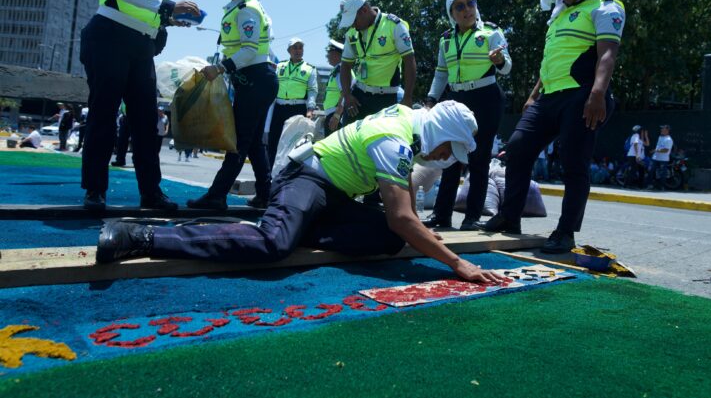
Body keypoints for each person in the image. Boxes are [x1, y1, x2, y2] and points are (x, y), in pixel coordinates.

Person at [96, 101, 503, 285]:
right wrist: (456, 263)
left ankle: (293, 225)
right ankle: (141, 235)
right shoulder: (395, 138)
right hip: (306, 178)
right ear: (441, 135)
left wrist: (426, 238)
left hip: (332, 192)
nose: (446, 157)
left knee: (389, 238)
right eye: (449, 148)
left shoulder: (409, 121)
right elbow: (401, 214)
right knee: (274, 244)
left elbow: (403, 212)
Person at [478, 0, 625, 254]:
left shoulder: (605, 7)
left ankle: (565, 231)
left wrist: (597, 94)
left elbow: (607, 54)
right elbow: (552, 61)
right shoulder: (557, 15)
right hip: (549, 97)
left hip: (582, 95)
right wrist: (534, 94)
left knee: (574, 161)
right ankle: (510, 216)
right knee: (517, 148)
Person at [79, 0, 200, 211]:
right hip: (110, 36)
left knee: (147, 123)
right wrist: (169, 6)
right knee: (103, 114)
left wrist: (168, 19)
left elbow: (144, 10)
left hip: (140, 47)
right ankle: (95, 190)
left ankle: (151, 192)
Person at [187, 0, 278, 211]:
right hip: (253, 81)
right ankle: (265, 195)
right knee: (255, 142)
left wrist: (220, 68)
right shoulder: (239, 7)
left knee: (239, 140)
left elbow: (249, 50)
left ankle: (217, 195)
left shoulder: (247, 9)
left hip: (255, 80)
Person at [422, 0, 511, 230]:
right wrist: (431, 100)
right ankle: (441, 215)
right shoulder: (446, 39)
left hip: (486, 97)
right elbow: (441, 73)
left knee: (479, 158)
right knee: (450, 157)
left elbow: (507, 67)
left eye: (470, 3)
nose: (466, 10)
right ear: (451, 13)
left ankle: (472, 218)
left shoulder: (491, 32)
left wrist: (499, 60)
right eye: (459, 6)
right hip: (456, 99)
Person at [337, 0, 417, 121]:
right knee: (347, 138)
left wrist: (407, 97)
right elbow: (345, 65)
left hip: (388, 98)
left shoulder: (394, 25)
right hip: (359, 97)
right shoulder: (352, 33)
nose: (352, 24)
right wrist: (347, 96)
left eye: (354, 20)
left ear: (363, 10)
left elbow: (409, 60)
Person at [267, 38, 317, 168]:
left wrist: (310, 109)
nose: (298, 50)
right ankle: (269, 175)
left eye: (300, 47)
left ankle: (288, 174)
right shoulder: (279, 66)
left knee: (292, 142)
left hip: (297, 108)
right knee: (274, 141)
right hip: (279, 108)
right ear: (289, 50)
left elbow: (312, 90)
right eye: (295, 47)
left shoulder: (309, 69)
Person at [322, 39, 350, 134]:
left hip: (336, 115)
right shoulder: (337, 70)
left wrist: (337, 115)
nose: (327, 55)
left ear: (336, 54)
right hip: (332, 114)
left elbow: (345, 94)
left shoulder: (341, 70)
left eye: (329, 52)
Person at [647, 124, 674, 190]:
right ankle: (650, 185)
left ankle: (662, 187)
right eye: (661, 128)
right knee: (650, 170)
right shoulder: (660, 137)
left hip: (663, 159)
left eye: (663, 128)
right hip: (655, 158)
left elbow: (666, 150)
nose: (661, 130)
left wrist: (655, 150)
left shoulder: (669, 139)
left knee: (662, 173)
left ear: (667, 130)